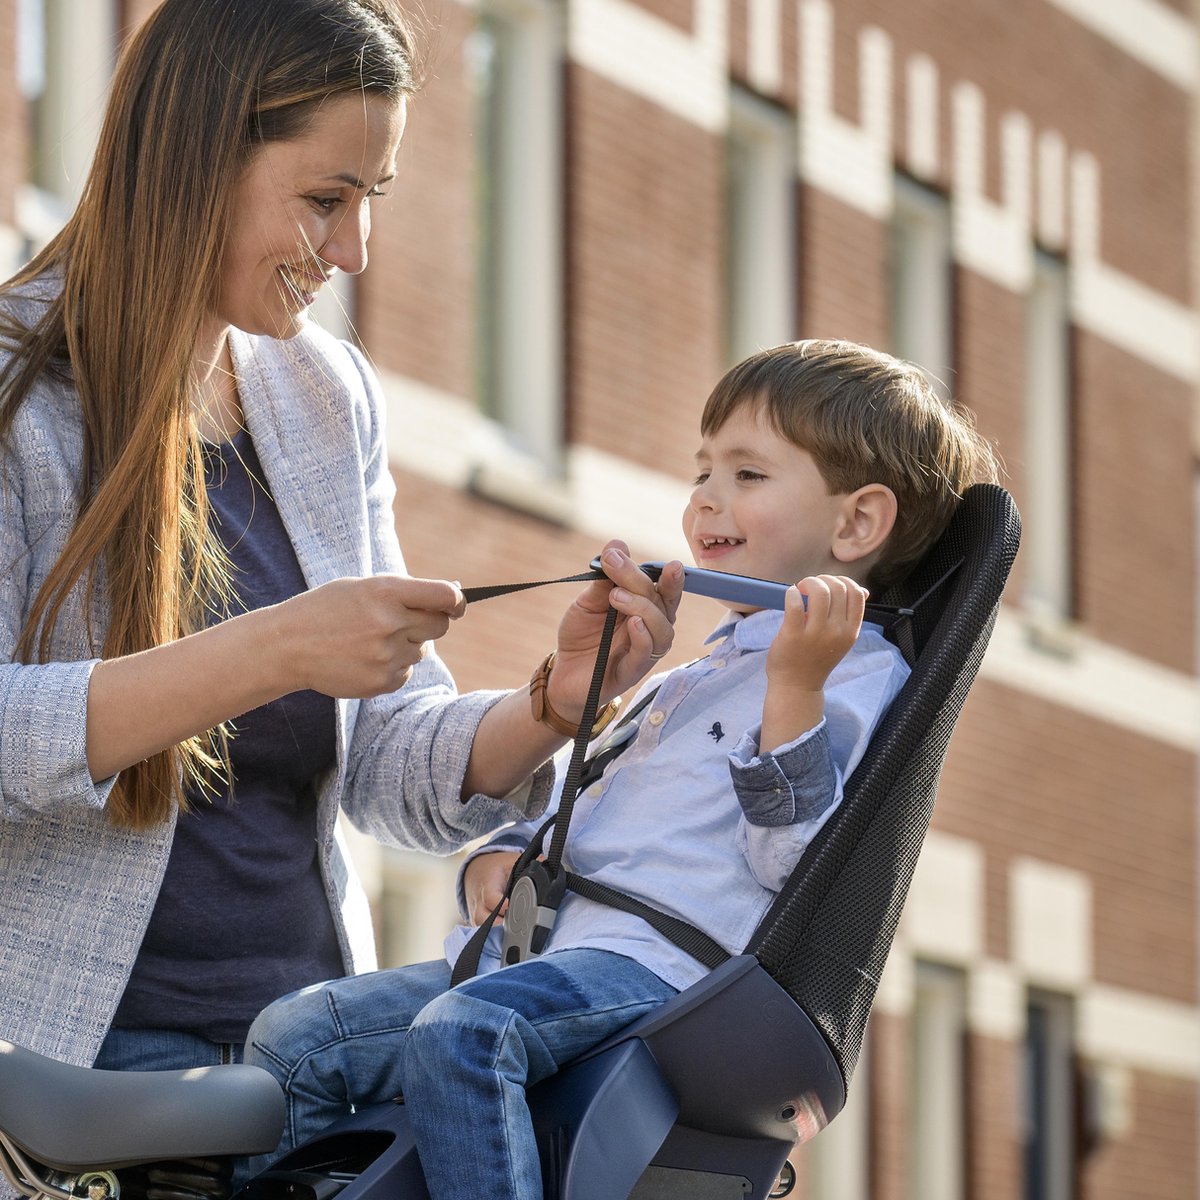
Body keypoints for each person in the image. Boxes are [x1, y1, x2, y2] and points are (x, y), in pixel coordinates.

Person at [0, 0, 681, 1074]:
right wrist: (276, 649)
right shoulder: (18, 395)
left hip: (307, 1062)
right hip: (72, 1072)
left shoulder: (326, 394)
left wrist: (551, 705)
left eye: (373, 201)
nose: (355, 252)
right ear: (194, 158)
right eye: (326, 199)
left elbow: (384, 762)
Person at [243, 339, 1001, 1199]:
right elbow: (600, 795)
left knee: (466, 1035)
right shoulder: (698, 671)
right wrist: (509, 849)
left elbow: (795, 864)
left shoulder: (852, 675)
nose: (706, 497)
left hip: (661, 974)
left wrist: (795, 687)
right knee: (295, 1039)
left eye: (748, 474)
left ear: (857, 523)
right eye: (703, 471)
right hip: (543, 956)